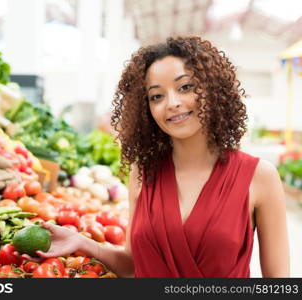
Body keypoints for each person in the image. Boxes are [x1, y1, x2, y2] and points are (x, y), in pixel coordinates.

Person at [24, 36, 290, 278]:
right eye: (156, 96)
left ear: (213, 89)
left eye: (185, 87)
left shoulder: (259, 177)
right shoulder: (143, 172)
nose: (171, 103)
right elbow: (132, 264)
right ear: (145, 108)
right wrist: (83, 243)